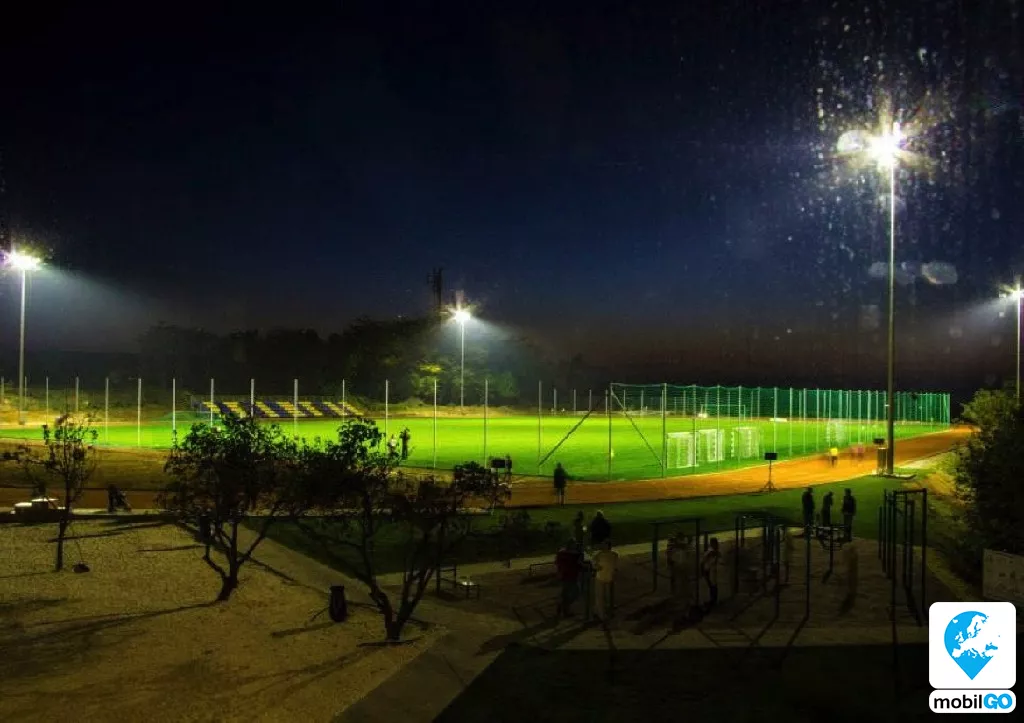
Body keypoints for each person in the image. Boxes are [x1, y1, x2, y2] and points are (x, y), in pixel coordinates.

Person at [592, 540, 618, 621]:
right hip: (600, 578)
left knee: (608, 597)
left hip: (609, 578)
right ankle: (601, 615)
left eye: (606, 545)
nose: (604, 547)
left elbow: (615, 565)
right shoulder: (598, 555)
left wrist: (614, 573)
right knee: (600, 597)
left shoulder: (614, 554)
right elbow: (594, 564)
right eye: (603, 545)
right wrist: (596, 566)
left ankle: (605, 612)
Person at [555, 540, 583, 617]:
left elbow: (557, 563)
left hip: (564, 575)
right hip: (571, 576)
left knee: (565, 593)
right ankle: (564, 607)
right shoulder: (574, 554)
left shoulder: (561, 553)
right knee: (575, 592)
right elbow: (578, 564)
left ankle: (563, 608)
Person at [701, 537, 720, 611]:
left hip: (710, 570)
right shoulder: (712, 551)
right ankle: (713, 600)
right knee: (712, 585)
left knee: (713, 585)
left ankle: (713, 600)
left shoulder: (712, 551)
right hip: (709, 570)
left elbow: (704, 560)